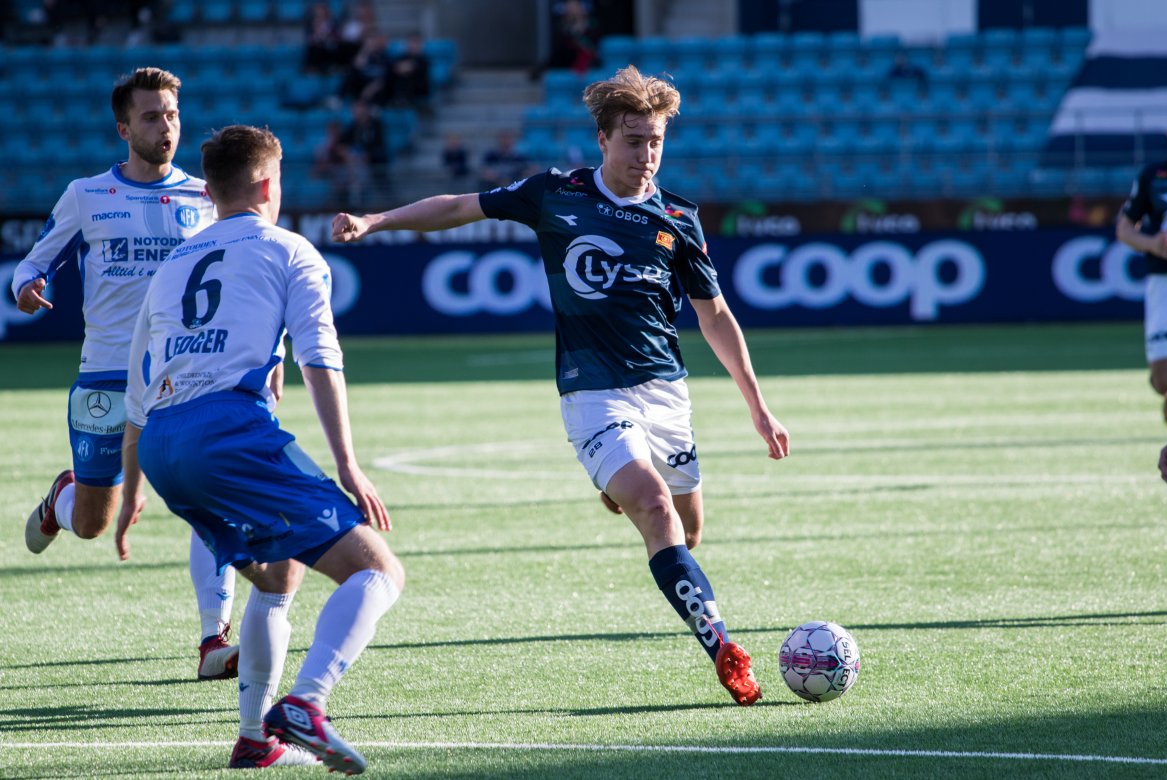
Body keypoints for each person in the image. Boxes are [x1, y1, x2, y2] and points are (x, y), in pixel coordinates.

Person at [331, 65, 789, 706]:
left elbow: (713, 314)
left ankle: (619, 486)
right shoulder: (555, 192)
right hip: (593, 391)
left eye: (656, 140)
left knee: (686, 530)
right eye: (633, 141)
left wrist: (757, 406)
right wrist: (376, 220)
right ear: (603, 140)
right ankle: (725, 649)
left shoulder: (678, 217)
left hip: (667, 393)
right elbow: (461, 206)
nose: (646, 155)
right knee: (655, 510)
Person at [115, 124, 406, 771]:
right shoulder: (289, 250)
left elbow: (137, 394)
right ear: (271, 184)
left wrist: (133, 490)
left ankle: (254, 738)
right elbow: (320, 359)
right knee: (377, 571)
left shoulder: (173, 264)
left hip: (164, 447)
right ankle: (306, 703)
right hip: (229, 433)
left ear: (211, 191)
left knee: (278, 577)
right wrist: (348, 465)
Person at [10, 66, 245, 682]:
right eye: (149, 116)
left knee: (211, 500)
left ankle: (213, 641)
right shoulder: (87, 195)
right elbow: (30, 265)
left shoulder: (206, 196)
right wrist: (27, 287)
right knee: (92, 523)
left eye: (170, 114)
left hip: (187, 379)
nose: (164, 125)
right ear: (123, 127)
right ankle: (62, 501)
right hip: (107, 378)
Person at [1116, 134, 1167, 424]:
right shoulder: (1153, 176)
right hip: (1164, 282)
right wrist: (1152, 244)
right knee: (1163, 381)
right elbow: (1124, 229)